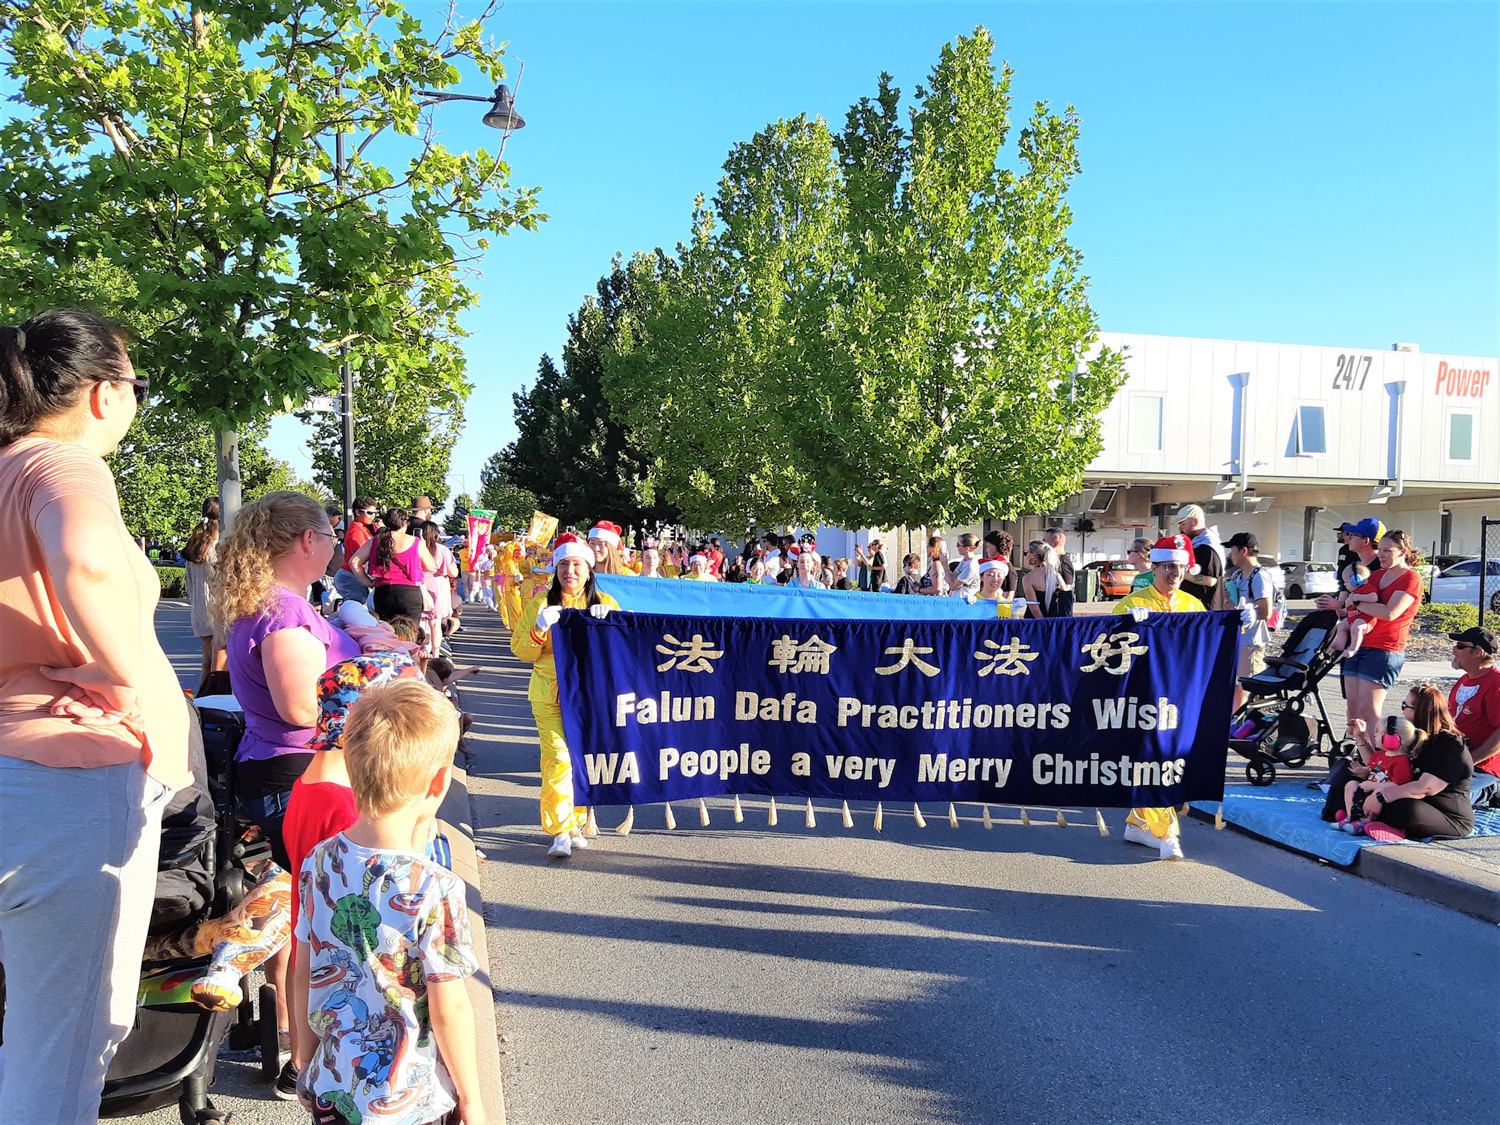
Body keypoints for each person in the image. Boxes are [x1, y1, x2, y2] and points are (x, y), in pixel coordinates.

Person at [0, 309, 192, 1120]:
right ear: (104, 393)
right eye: (136, 383)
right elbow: (83, 557)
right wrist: (141, 689)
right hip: (63, 782)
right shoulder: (63, 465)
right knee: (63, 1052)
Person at [211, 489, 360, 1093]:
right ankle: (302, 1056)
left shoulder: (272, 605)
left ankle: (285, 1041)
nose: (334, 549)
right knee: (312, 917)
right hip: (300, 776)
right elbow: (302, 708)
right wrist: (374, 696)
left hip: (275, 772)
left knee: (292, 909)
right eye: (329, 538)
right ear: (307, 541)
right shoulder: (286, 612)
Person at [291, 679, 484, 1125]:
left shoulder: (319, 862)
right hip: (410, 1099)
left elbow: (304, 966)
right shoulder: (435, 887)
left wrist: (304, 1058)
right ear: (438, 782)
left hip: (333, 1083)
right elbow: (448, 1004)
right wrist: (472, 1101)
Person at [512, 533, 618, 857]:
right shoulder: (540, 604)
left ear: (588, 569)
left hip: (589, 699)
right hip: (549, 695)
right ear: (556, 569)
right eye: (563, 565)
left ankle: (576, 821)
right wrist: (539, 628)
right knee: (558, 759)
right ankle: (559, 830)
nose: (570, 571)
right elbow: (521, 651)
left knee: (581, 761)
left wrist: (610, 626)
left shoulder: (605, 602)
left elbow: (619, 654)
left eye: (576, 564)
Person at [1111, 534, 1205, 859]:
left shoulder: (1194, 605)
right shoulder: (1132, 603)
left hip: (1179, 700)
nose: (1174, 573)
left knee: (1169, 761)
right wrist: (1127, 625)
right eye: (1168, 566)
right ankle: (1167, 833)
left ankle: (1139, 823)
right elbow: (1107, 648)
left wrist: (1236, 627)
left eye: (1180, 567)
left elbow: (1205, 650)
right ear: (1154, 567)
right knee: (1153, 761)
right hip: (1144, 699)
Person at [1354, 687, 1473, 843]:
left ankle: (1385, 823)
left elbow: (1426, 788)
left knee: (1405, 809)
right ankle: (1368, 818)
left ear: (1421, 711)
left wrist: (1381, 797)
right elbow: (1378, 765)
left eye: (1405, 706)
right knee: (1353, 785)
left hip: (1445, 814)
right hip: (1404, 795)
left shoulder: (1448, 745)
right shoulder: (1410, 736)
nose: (1402, 711)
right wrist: (1361, 738)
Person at [1340, 529, 1424, 744]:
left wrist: (1357, 602)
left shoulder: (1411, 578)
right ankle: (1360, 753)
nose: (1381, 554)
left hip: (1384, 649)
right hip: (1359, 644)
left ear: (1402, 551)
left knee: (1370, 711)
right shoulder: (1376, 575)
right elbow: (1352, 601)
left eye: (1388, 550)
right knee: (1353, 709)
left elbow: (1390, 612)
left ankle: (1378, 758)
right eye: (1380, 550)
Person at [350, 507, 435, 624]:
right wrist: (424, 546)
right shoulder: (415, 542)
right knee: (411, 632)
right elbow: (430, 566)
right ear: (405, 523)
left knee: (387, 632)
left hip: (383, 592)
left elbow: (354, 562)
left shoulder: (376, 540)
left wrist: (368, 582)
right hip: (409, 592)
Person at [1332, 714, 1415, 833]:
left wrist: (1373, 786)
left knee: (1378, 792)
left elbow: (1399, 786)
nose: (1374, 735)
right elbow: (1373, 773)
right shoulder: (1379, 755)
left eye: (1378, 733)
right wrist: (1362, 772)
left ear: (1392, 738)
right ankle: (1351, 817)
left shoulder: (1402, 762)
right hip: (1369, 788)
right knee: (1351, 784)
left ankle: (1365, 821)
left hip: (1382, 797)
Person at [1448, 627, 1500, 807]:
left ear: (1479, 652)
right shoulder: (1464, 679)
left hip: (1482, 767)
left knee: (1449, 801)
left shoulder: (1496, 683)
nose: (1454, 650)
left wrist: (1469, 760)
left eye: (1460, 646)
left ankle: (1492, 789)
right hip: (1457, 761)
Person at [1224, 532, 1272, 710]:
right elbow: (1231, 607)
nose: (1230, 554)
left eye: (1232, 549)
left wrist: (1251, 611)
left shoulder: (1259, 576)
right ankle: (1235, 722)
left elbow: (1266, 611)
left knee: (1249, 688)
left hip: (1252, 641)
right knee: (1237, 686)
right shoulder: (1238, 575)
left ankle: (1247, 726)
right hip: (1239, 639)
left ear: (1243, 551)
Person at [182, 495, 223, 690]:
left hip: (199, 611)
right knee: (218, 663)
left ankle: (203, 701)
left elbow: (189, 585)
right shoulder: (217, 550)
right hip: (216, 611)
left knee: (208, 662)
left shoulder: (195, 548)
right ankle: (212, 701)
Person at [1316, 518, 1383, 615]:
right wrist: (1338, 604)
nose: (1349, 538)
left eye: (1353, 535)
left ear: (1366, 541)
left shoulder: (1381, 568)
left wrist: (1345, 606)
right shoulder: (1354, 564)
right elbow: (1345, 586)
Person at [1174, 504, 1228, 611]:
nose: (1180, 528)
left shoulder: (1208, 546)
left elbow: (1211, 580)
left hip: (1204, 609)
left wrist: (1181, 573)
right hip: (1191, 607)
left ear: (1195, 521)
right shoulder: (1196, 544)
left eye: (1183, 524)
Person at [419, 520, 458, 659]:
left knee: (420, 621)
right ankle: (435, 654)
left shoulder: (417, 547)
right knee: (435, 623)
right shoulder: (443, 550)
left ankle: (420, 651)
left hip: (421, 584)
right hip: (438, 586)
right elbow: (453, 572)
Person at [334, 497, 377, 605]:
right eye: (370, 513)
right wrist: (369, 582)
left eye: (375, 513)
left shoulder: (363, 528)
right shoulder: (356, 531)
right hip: (350, 577)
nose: (373, 516)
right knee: (356, 609)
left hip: (354, 576)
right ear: (358, 512)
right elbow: (358, 560)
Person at [1330, 562, 1374, 658]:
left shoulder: (1367, 589)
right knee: (1341, 625)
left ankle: (1353, 648)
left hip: (1364, 620)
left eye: (1346, 582)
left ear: (1356, 580)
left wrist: (1358, 597)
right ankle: (1340, 644)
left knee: (1356, 628)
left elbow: (1373, 598)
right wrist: (1344, 611)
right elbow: (1350, 607)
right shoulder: (1353, 593)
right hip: (1352, 617)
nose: (1345, 585)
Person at [1020, 541, 1069, 619]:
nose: (1025, 556)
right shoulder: (1056, 575)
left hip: (1035, 623)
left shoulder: (1028, 578)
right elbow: (1066, 598)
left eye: (1026, 553)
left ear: (1033, 555)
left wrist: (1044, 624)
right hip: (1056, 622)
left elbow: (1033, 605)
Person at [1041, 527, 1076, 614]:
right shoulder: (1052, 561)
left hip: (1058, 614)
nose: (1042, 546)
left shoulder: (1063, 563)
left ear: (1056, 543)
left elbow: (1067, 589)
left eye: (1045, 542)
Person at [948, 533, 982, 601]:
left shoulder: (971, 566)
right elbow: (953, 577)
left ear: (967, 549)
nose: (956, 547)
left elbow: (953, 586)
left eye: (958, 545)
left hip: (966, 603)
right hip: (959, 600)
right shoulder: (965, 560)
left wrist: (945, 565)